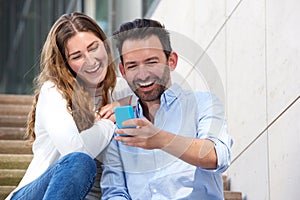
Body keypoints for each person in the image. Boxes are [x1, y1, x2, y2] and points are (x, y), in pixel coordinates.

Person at [100, 19, 233, 200]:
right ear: (123, 71)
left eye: (151, 62)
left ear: (171, 61)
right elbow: (114, 193)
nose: (143, 74)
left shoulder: (203, 103)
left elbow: (217, 156)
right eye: (132, 66)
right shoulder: (119, 129)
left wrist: (160, 139)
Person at [6, 12, 133, 200]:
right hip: (39, 195)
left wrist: (125, 110)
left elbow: (133, 142)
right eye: (77, 56)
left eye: (93, 47)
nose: (90, 60)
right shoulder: (54, 92)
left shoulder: (122, 91)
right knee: (79, 161)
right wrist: (109, 121)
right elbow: (76, 152)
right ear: (65, 63)